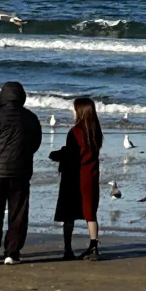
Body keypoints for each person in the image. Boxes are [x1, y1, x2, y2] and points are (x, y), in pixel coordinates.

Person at [0, 81, 42, 265]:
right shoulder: (31, 118)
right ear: (22, 97)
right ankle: (12, 253)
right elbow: (35, 144)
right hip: (21, 170)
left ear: (2, 97)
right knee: (18, 212)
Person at [51, 96, 103, 261]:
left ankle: (67, 248)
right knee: (90, 211)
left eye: (74, 109)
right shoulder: (95, 130)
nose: (73, 112)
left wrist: (57, 155)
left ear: (80, 112)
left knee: (69, 213)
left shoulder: (75, 131)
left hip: (74, 175)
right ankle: (94, 246)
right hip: (91, 175)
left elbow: (72, 154)